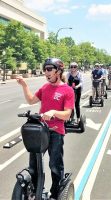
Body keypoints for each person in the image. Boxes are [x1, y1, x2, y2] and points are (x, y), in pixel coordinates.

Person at [16, 58, 74, 200]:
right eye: (45, 69)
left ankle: (55, 194)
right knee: (34, 165)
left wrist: (54, 112)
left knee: (55, 165)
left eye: (49, 69)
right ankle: (35, 192)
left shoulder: (67, 90)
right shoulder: (45, 88)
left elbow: (67, 114)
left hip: (55, 132)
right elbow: (31, 100)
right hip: (40, 131)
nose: (46, 72)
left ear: (58, 71)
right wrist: (24, 85)